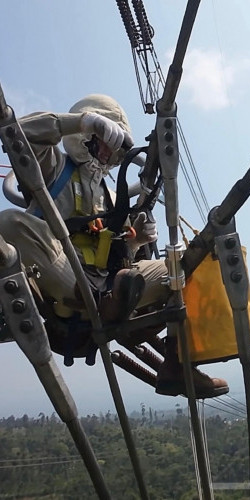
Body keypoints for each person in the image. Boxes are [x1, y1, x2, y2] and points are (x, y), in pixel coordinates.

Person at [0, 94, 228, 398]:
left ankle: (178, 363)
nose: (109, 152)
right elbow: (16, 133)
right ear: (87, 136)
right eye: (104, 139)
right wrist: (79, 122)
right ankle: (98, 301)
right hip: (65, 281)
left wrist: (136, 242)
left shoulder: (110, 194)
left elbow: (119, 264)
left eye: (115, 145)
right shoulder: (53, 168)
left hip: (109, 288)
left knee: (189, 263)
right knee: (10, 222)